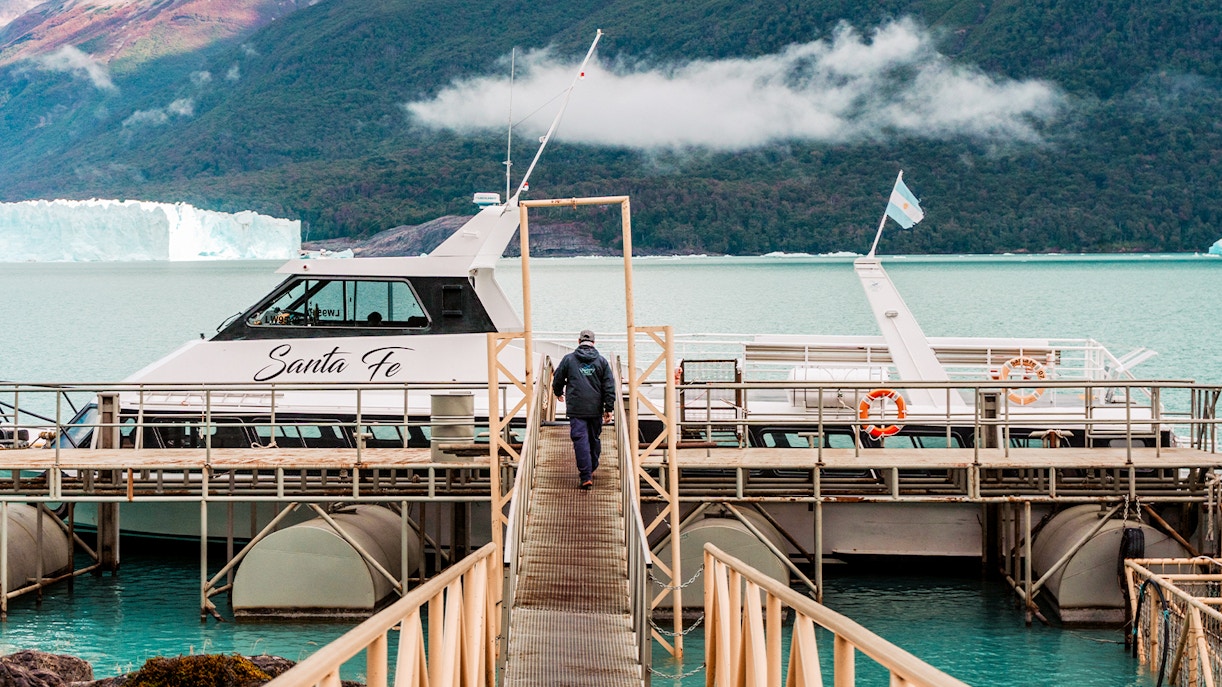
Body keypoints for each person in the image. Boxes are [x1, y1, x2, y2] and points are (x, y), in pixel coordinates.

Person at [552, 329, 615, 490]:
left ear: (579, 342)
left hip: (576, 408)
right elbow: (608, 386)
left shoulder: (568, 359)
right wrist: (609, 408)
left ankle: (586, 475)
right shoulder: (601, 361)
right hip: (595, 408)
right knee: (594, 439)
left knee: (580, 440)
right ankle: (591, 467)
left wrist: (558, 392)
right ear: (593, 343)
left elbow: (558, 378)